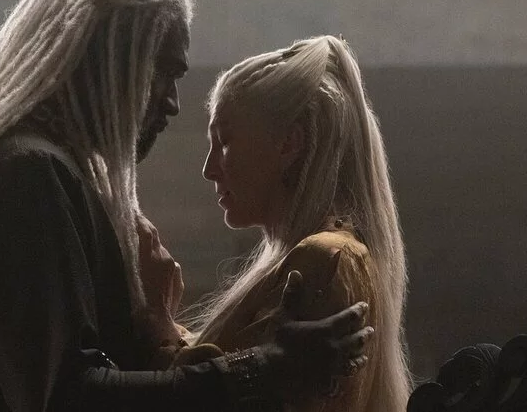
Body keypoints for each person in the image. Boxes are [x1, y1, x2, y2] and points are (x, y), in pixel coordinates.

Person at [0, 0, 374, 411]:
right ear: (106, 56)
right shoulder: (28, 175)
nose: (173, 103)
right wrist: (263, 372)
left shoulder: (37, 172)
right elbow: (70, 401)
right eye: (164, 72)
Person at [143, 36, 412, 411]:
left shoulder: (324, 258)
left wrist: (160, 326)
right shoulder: (319, 255)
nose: (208, 169)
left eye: (224, 142)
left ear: (288, 145)